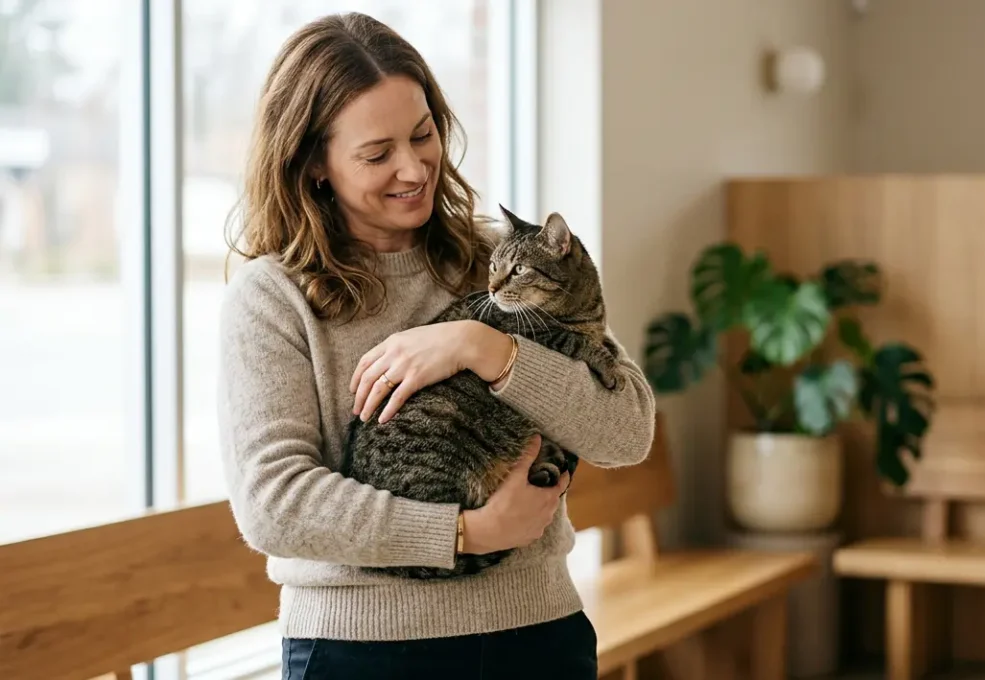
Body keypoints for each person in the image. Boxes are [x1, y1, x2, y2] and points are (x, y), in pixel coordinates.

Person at [216, 12, 655, 680]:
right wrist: (464, 533)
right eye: (376, 153)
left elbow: (627, 431)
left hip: (537, 630)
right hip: (361, 651)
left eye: (424, 135)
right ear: (314, 165)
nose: (414, 168)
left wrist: (488, 350)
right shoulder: (270, 298)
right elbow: (276, 503)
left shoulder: (501, 262)